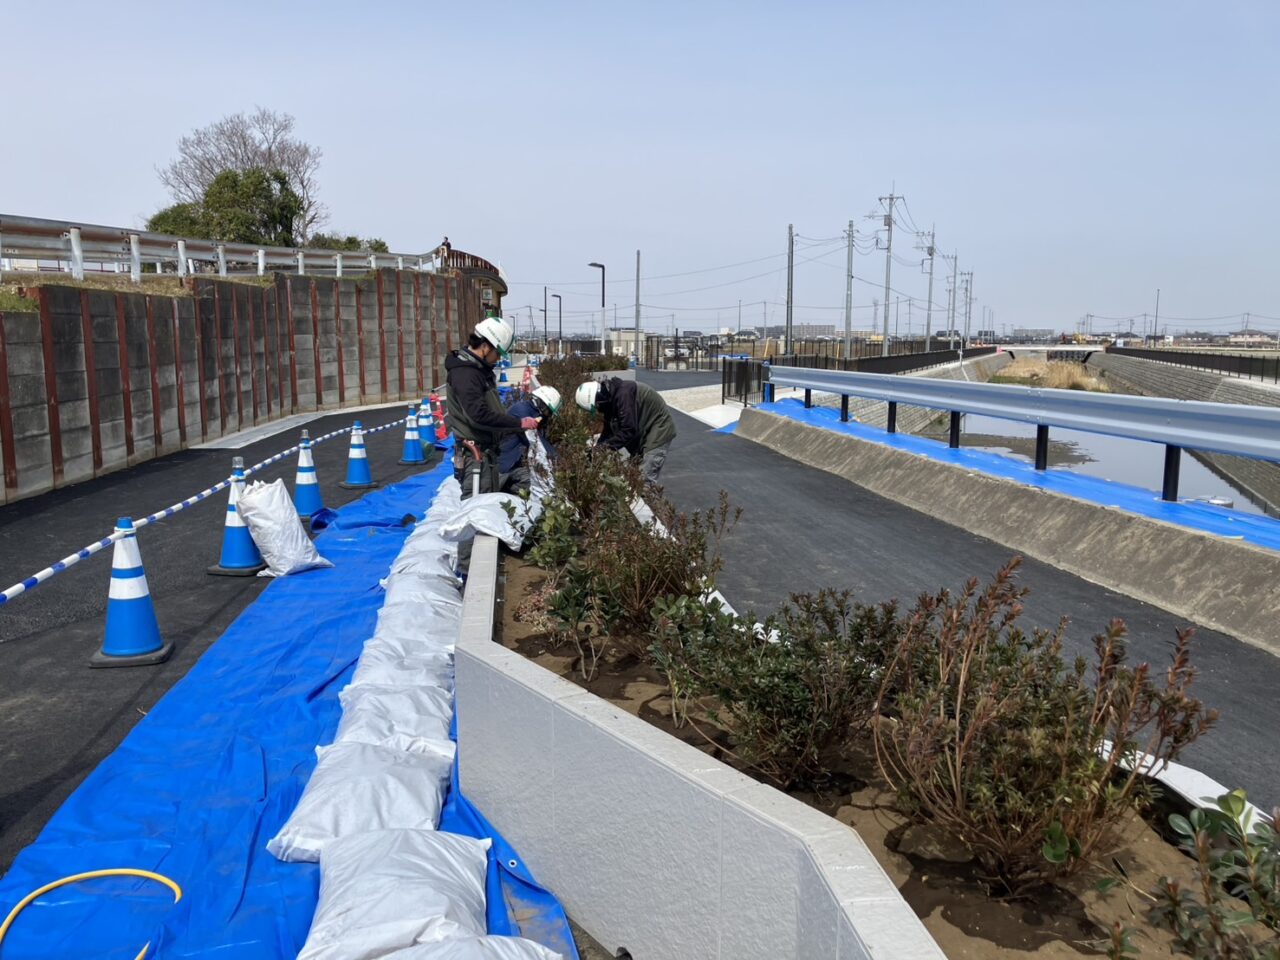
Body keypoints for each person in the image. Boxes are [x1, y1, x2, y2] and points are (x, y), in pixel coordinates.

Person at [445, 316, 539, 496]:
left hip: (485, 454)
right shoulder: (466, 374)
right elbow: (478, 416)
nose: (498, 359)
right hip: (475, 457)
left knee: (488, 504)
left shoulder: (477, 371)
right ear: (485, 346)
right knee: (478, 508)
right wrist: (518, 423)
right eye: (498, 353)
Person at [575, 376, 676, 483]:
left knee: (644, 478)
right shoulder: (610, 398)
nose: (598, 410)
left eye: (596, 406)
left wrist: (603, 448)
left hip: (659, 428)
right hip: (643, 428)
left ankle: (646, 491)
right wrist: (595, 450)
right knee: (633, 474)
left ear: (598, 400)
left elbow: (628, 430)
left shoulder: (624, 395)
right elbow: (608, 432)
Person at [498, 386, 560, 494]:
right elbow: (535, 440)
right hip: (502, 466)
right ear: (541, 403)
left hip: (515, 466)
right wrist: (556, 458)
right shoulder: (521, 411)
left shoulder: (535, 414)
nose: (548, 415)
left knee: (535, 486)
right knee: (488, 496)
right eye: (548, 411)